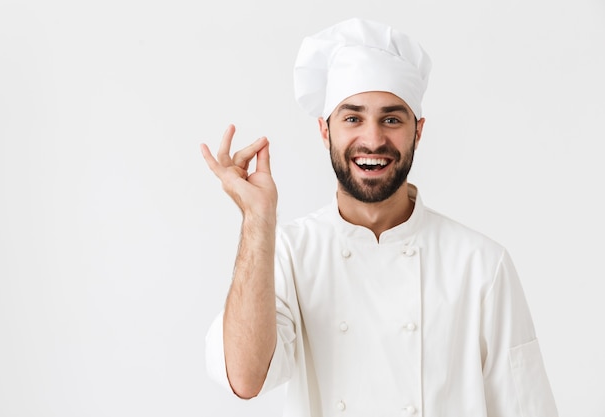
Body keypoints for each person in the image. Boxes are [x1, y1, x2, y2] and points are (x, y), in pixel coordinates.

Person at [201, 18, 558, 417]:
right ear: (325, 131)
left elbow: (528, 408)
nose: (372, 139)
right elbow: (246, 380)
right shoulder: (287, 253)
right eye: (352, 118)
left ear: (418, 132)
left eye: (391, 119)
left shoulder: (481, 266)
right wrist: (258, 220)